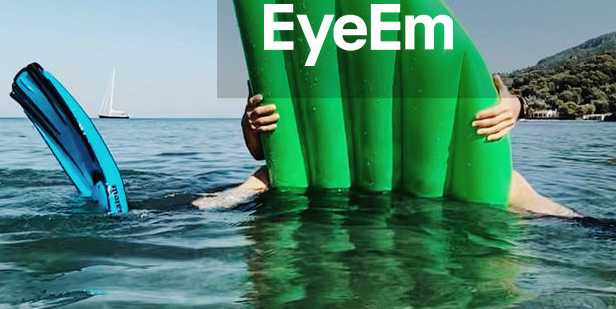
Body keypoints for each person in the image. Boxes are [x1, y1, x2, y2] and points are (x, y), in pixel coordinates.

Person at [192, 76, 578, 217]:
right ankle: (184, 209)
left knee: (513, 186)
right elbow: (261, 152)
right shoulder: (300, 63)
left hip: (411, 172)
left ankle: (607, 230)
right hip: (329, 175)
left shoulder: (411, 58)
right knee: (260, 180)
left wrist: (515, 105)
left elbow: (495, 88)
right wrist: (251, 125)